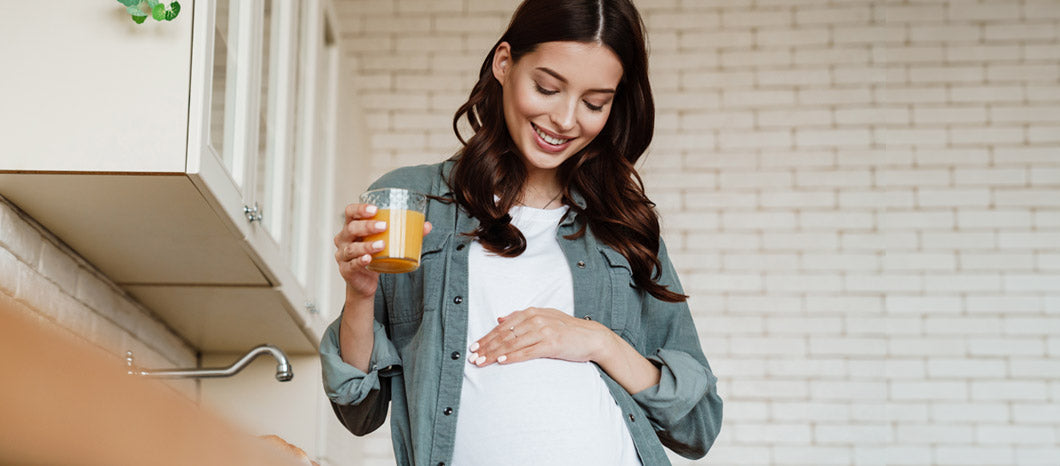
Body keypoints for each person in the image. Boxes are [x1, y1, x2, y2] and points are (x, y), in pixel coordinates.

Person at [320, 0, 722, 464]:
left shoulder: (621, 224)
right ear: (504, 62)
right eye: (548, 88)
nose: (567, 120)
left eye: (595, 103)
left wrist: (599, 341)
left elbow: (698, 424)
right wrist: (360, 295)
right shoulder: (413, 202)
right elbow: (360, 412)